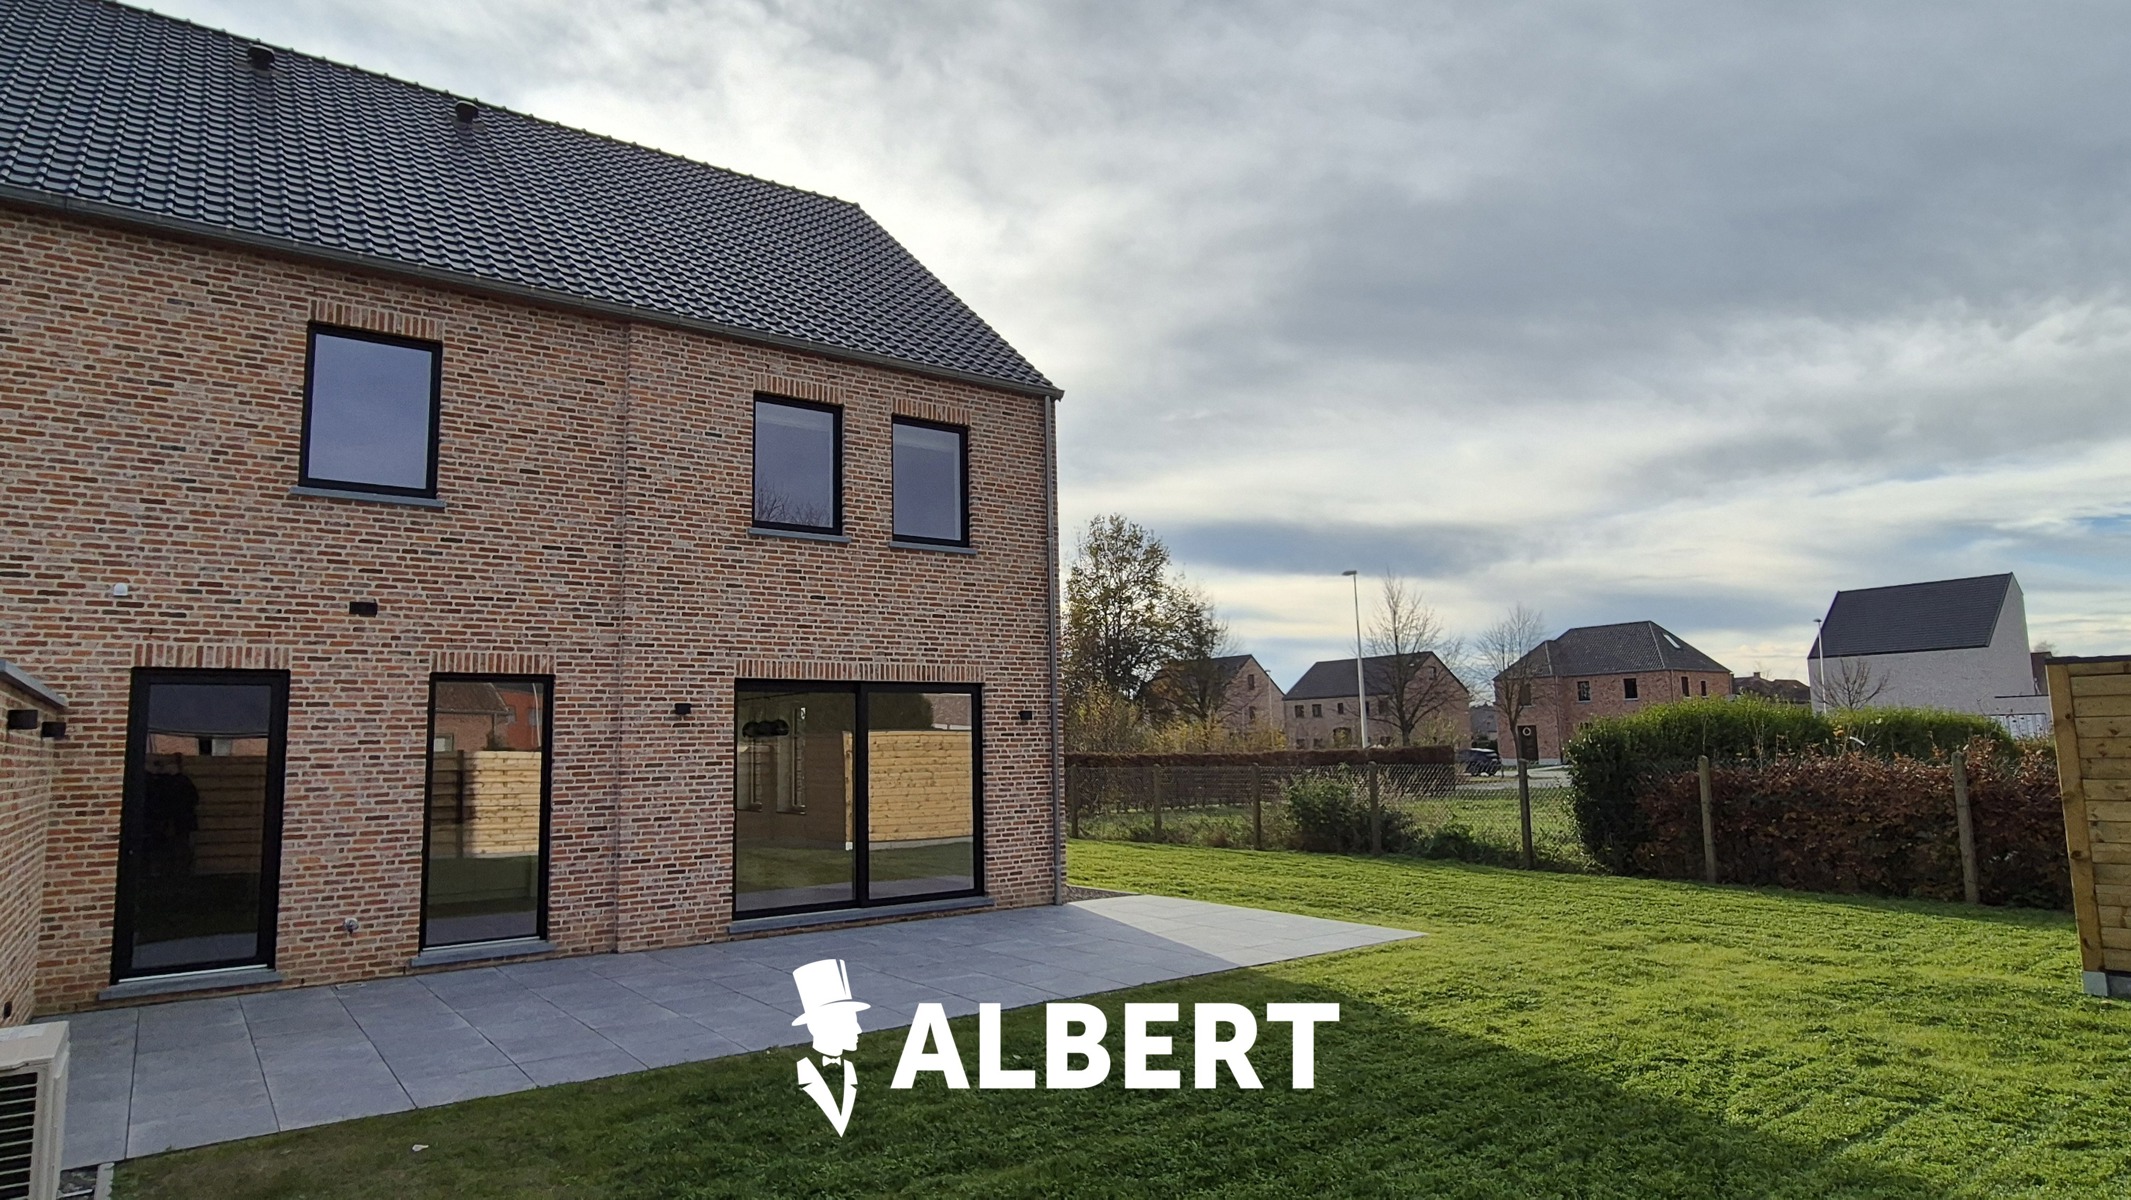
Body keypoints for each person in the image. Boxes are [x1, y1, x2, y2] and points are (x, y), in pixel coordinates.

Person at [789, 958, 869, 1135]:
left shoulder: (850, 1070)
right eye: (848, 1022)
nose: (859, 1030)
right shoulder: (803, 1071)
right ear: (819, 1026)